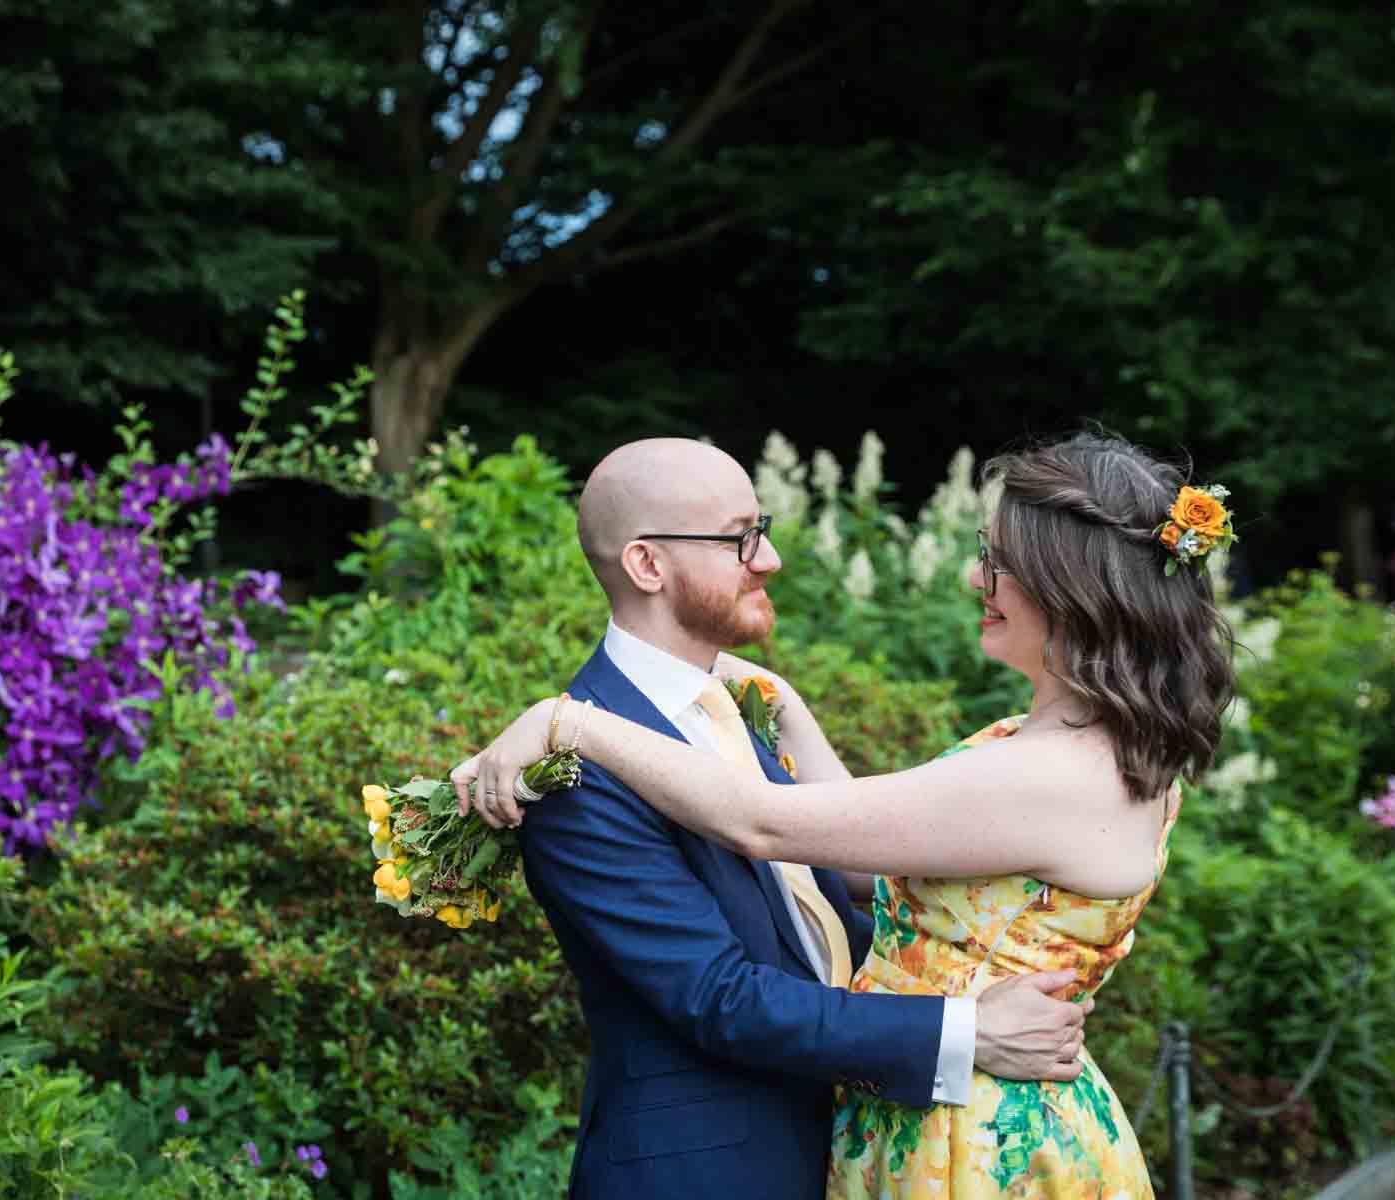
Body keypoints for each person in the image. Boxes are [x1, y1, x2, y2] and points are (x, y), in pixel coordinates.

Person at [459, 431, 1237, 1199]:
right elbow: (859, 873)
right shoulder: (1071, 744)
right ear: (648, 564)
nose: (974, 577)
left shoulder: (1053, 771)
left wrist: (570, 720)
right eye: (742, 540)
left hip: (981, 1143)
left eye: (999, 564)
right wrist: (776, 703)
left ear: (1073, 590)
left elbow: (763, 823)